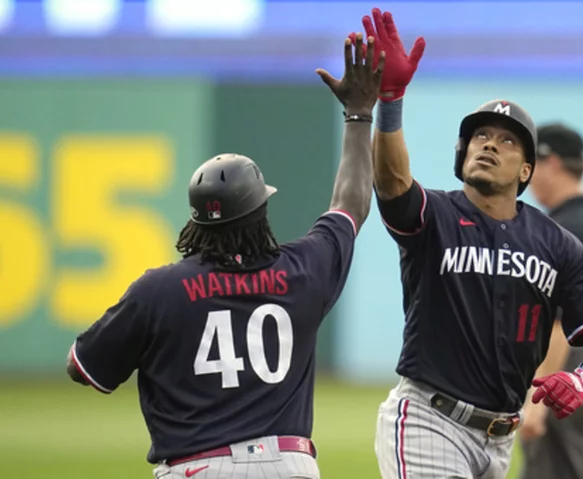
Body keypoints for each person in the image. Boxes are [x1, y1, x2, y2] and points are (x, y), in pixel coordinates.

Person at [65, 33, 385, 479]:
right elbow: (351, 203)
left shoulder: (159, 290)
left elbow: (82, 367)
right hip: (290, 464)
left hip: (199, 466)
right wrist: (359, 113)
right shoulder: (304, 269)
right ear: (261, 213)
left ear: (196, 223)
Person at [352, 8, 583, 479]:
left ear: (526, 171)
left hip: (499, 437)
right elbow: (393, 182)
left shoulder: (555, 241)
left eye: (507, 141)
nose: (489, 144)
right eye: (480, 135)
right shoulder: (435, 215)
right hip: (429, 420)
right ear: (462, 155)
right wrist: (392, 102)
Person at [519, 123, 583, 479]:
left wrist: (539, 403)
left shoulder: (564, 231)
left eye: (533, 163)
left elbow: (560, 323)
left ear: (553, 164)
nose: (528, 175)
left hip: (565, 372)